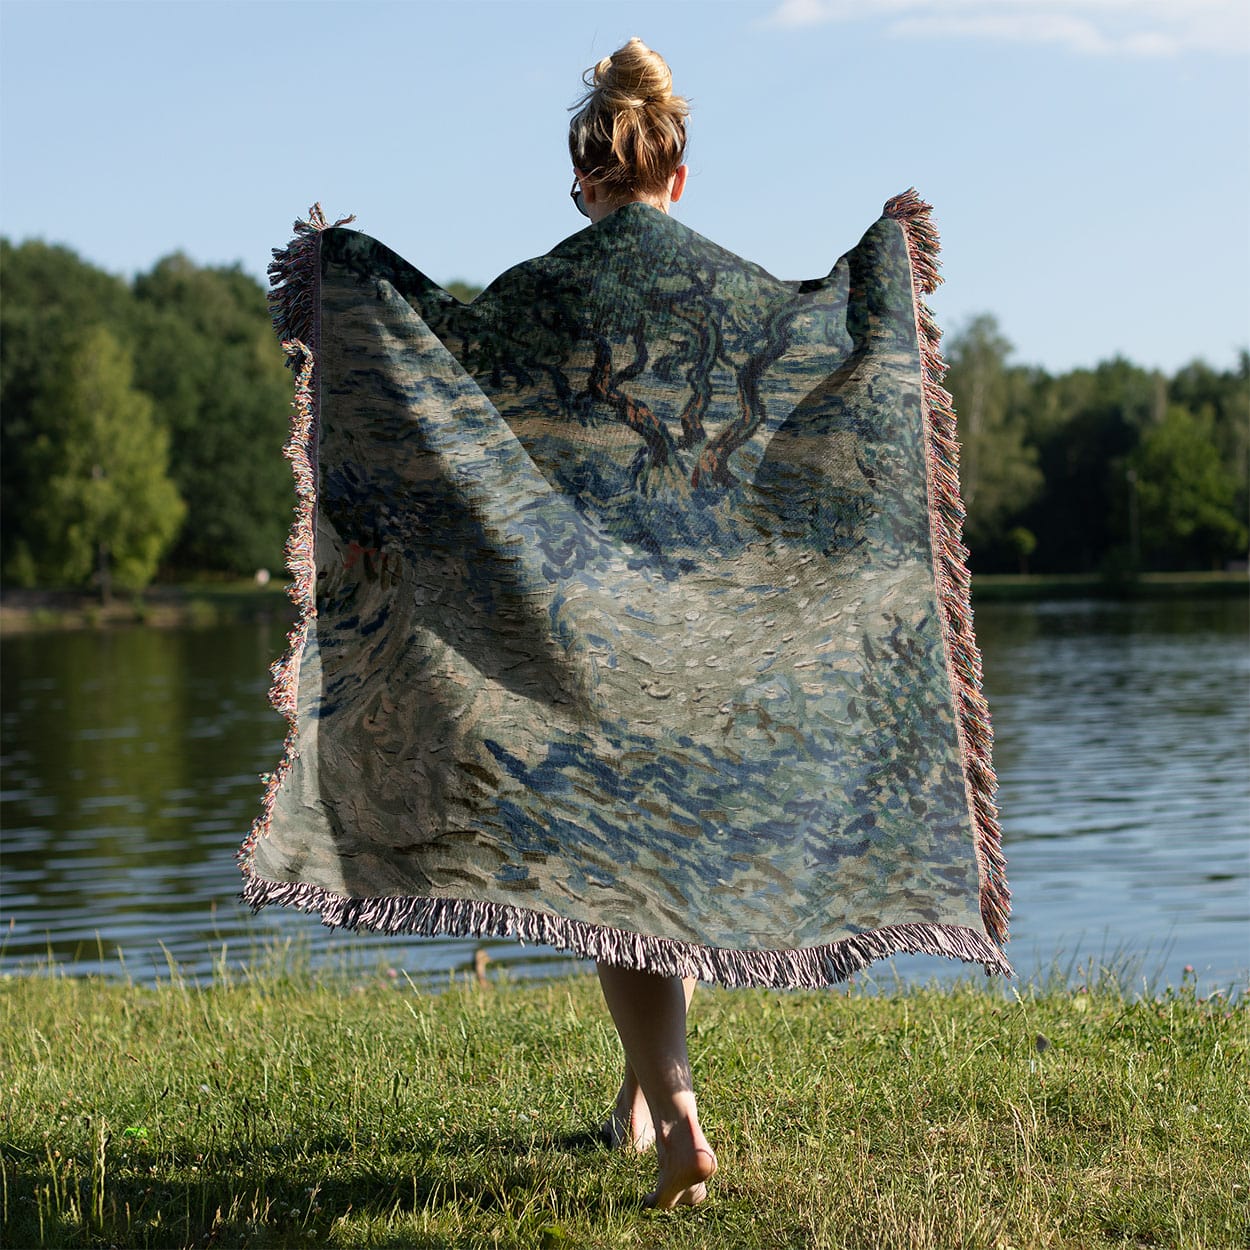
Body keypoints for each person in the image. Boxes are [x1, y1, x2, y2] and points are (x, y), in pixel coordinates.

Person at [566, 36, 717, 1212]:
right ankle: (632, 1100)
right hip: (705, 624)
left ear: (591, 182)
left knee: (613, 884)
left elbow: (458, 418)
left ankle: (677, 1118)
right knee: (654, 868)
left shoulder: (554, 294)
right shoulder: (727, 294)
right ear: (675, 175)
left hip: (593, 624)